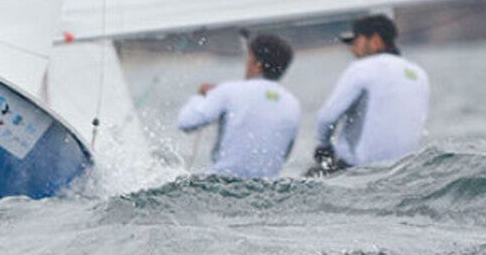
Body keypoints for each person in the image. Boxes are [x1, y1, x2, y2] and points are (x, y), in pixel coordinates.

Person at [310, 14, 430, 175]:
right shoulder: (419, 74)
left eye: (356, 42)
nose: (352, 49)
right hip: (405, 171)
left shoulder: (362, 68)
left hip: (359, 171)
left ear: (375, 40)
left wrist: (323, 146)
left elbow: (327, 117)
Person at [176, 34, 302, 179]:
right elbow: (283, 155)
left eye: (249, 57)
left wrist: (199, 97)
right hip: (267, 189)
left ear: (258, 64)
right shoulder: (293, 105)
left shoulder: (228, 90)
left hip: (222, 185)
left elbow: (185, 122)